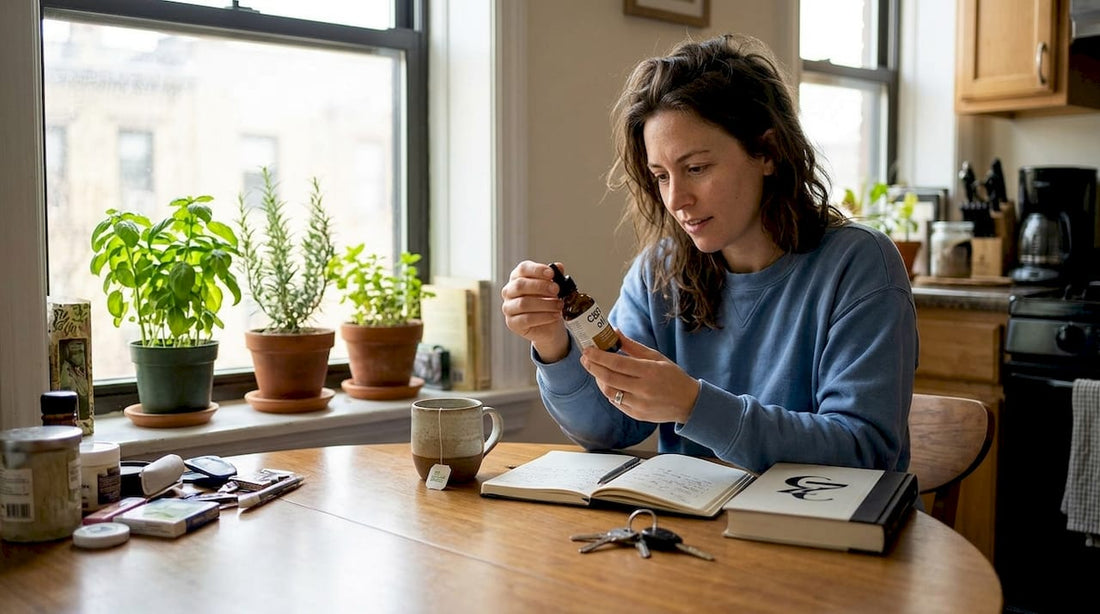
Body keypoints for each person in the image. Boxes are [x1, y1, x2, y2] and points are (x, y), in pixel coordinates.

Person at [500, 34, 917, 474]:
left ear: (768, 152)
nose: (677, 199)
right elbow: (608, 428)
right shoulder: (658, 274)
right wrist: (552, 343)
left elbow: (864, 450)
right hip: (694, 531)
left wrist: (694, 405)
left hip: (825, 535)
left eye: (696, 168)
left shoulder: (861, 265)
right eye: (661, 176)